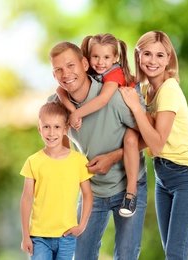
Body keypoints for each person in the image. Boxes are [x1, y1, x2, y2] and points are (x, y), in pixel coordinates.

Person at [48, 41, 148, 259]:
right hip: (92, 190)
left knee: (126, 255)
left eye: (70, 65)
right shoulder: (56, 105)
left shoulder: (114, 97)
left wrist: (113, 157)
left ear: (85, 64)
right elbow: (60, 152)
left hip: (128, 186)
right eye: (58, 70)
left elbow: (150, 136)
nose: (66, 74)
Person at [119, 30, 188, 259]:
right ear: (138, 56)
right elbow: (146, 139)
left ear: (168, 58)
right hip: (163, 177)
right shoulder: (149, 91)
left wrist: (136, 108)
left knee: (175, 253)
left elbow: (157, 144)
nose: (153, 61)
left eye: (160, 55)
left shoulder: (168, 90)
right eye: (147, 54)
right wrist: (113, 156)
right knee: (170, 250)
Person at [56, 33, 140, 217]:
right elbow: (59, 90)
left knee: (131, 142)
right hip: (95, 187)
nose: (100, 62)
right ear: (87, 59)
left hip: (131, 106)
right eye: (96, 57)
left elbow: (102, 100)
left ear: (115, 58)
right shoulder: (92, 73)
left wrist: (77, 113)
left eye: (106, 57)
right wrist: (71, 109)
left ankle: (131, 192)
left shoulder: (114, 74)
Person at [20, 101, 94, 259]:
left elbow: (88, 195)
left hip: (66, 236)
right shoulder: (33, 162)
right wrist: (25, 235)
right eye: (46, 127)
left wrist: (81, 226)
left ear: (65, 129)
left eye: (57, 127)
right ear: (39, 129)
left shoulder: (78, 161)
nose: (51, 132)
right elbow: (26, 199)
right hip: (39, 236)